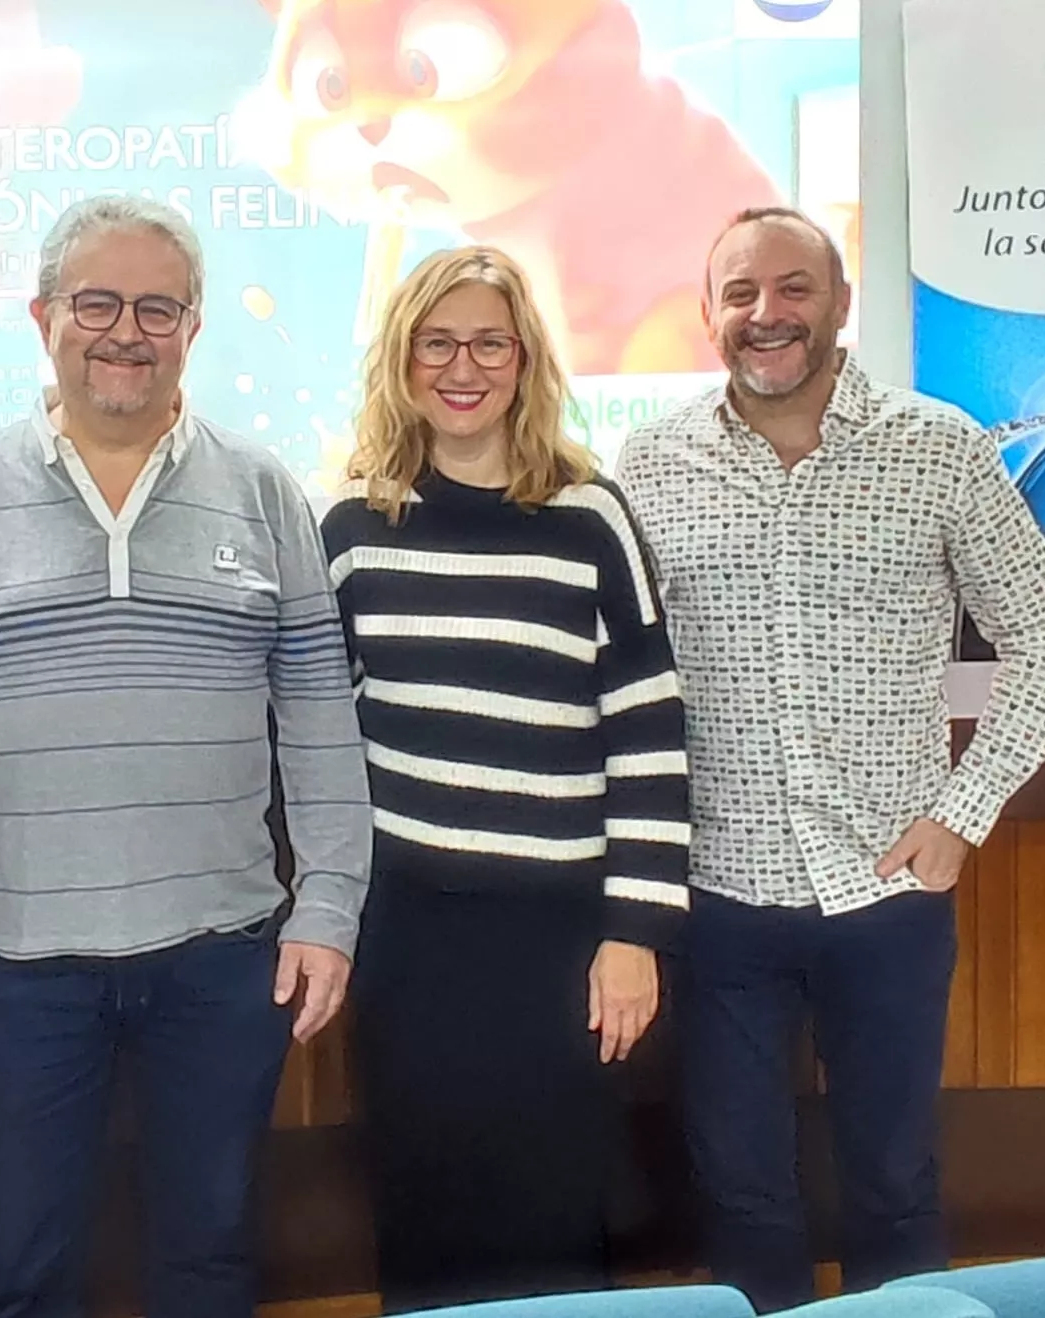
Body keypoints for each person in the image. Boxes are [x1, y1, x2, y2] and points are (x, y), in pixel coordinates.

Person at [0, 195, 373, 1318]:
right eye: (95, 302)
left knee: (206, 1263)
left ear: (192, 328)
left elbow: (316, 715)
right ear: (42, 316)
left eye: (155, 307)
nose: (125, 331)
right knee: (17, 1269)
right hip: (15, 965)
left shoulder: (262, 495)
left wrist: (327, 908)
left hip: (220, 958)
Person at [613, 207, 1045, 1313]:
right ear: (708, 313)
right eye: (739, 294)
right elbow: (624, 669)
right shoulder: (652, 461)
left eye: (792, 289)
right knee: (738, 1188)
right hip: (716, 890)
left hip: (885, 886)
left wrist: (963, 810)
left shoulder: (939, 447)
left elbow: (1043, 636)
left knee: (890, 1179)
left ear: (837, 305)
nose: (764, 315)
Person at [320, 246, 692, 1312]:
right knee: (422, 1208)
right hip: (410, 939)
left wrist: (635, 935)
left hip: (560, 940)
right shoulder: (351, 529)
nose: (462, 366)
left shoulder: (588, 517)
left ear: (525, 359)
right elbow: (318, 736)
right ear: (400, 361)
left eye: (488, 341)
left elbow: (647, 730)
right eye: (435, 342)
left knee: (552, 1219)